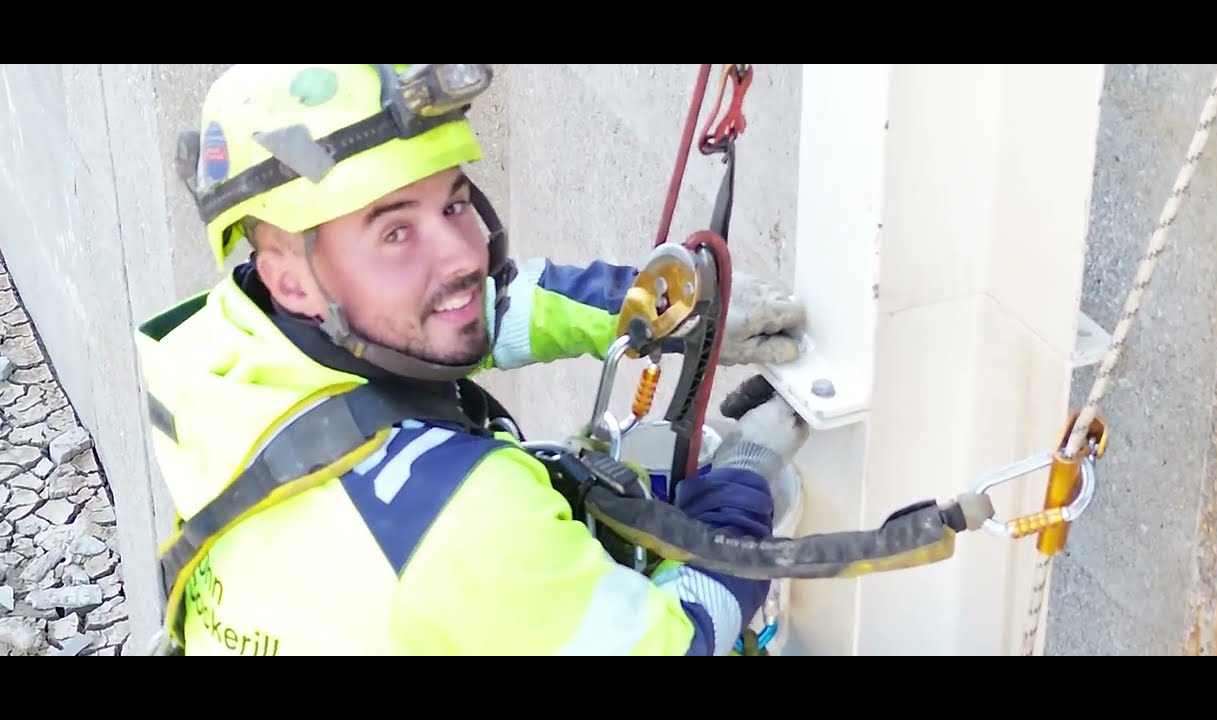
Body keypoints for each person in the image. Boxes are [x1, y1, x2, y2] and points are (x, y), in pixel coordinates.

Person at [135, 63, 811, 656]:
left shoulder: (217, 355)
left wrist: (636, 304)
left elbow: (468, 316)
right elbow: (678, 641)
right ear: (289, 278)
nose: (462, 255)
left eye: (454, 202)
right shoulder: (462, 516)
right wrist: (742, 485)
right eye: (395, 231)